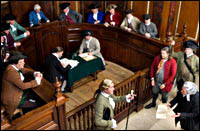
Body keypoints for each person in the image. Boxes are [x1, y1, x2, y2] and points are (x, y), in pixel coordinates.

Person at [1, 51, 43, 120]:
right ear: (15, 63)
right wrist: (37, 81)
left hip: (17, 93)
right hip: (13, 98)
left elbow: (23, 70)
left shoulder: (13, 67)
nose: (24, 63)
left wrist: (34, 73)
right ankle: (28, 120)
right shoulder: (11, 72)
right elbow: (23, 86)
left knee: (35, 96)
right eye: (21, 62)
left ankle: (27, 115)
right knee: (36, 104)